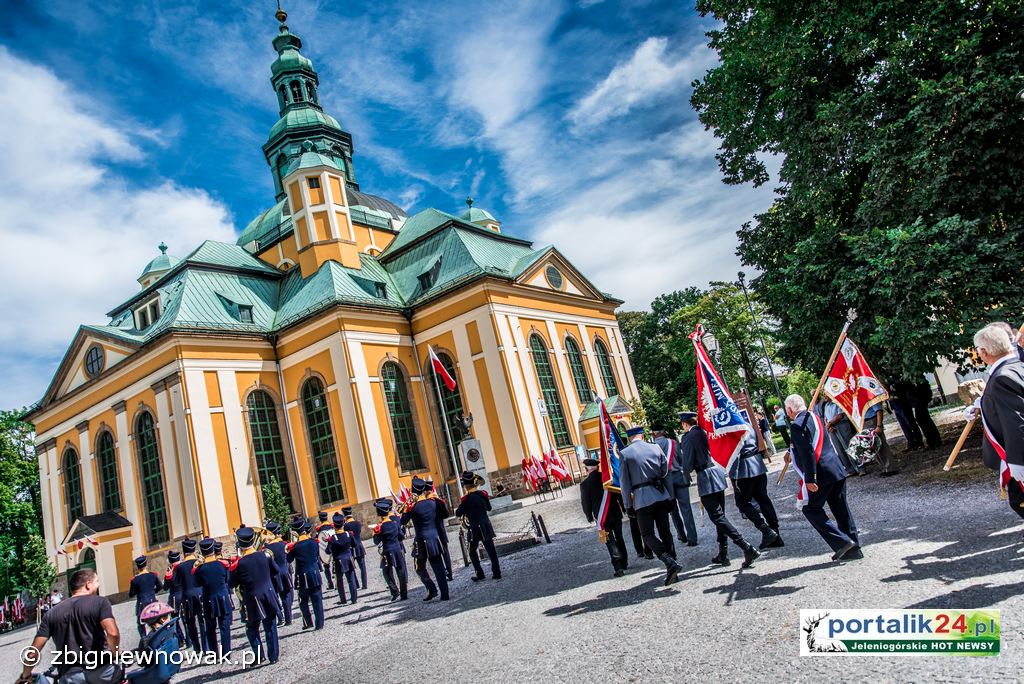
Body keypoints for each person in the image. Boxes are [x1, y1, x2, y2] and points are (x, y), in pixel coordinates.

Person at [785, 394, 862, 561]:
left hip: (820, 473)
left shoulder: (797, 425)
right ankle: (854, 549)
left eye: (787, 411)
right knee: (841, 510)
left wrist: (810, 478)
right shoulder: (816, 417)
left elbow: (807, 453)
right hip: (836, 468)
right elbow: (806, 443)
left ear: (790, 409)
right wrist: (791, 451)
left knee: (810, 509)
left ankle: (842, 542)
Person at [680, 412, 759, 568]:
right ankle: (723, 554)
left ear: (684, 424)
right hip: (717, 473)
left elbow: (687, 464)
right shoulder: (707, 432)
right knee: (720, 517)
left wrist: (684, 475)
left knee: (717, 517)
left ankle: (746, 546)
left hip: (706, 477)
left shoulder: (688, 437)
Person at [16, 569, 121, 684]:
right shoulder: (100, 602)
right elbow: (113, 633)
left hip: (70, 677)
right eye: (97, 581)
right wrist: (115, 653)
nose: (98, 584)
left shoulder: (51, 613)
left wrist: (25, 675)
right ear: (88, 585)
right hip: (102, 672)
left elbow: (33, 652)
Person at [618, 426, 682, 585]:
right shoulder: (655, 447)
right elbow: (665, 473)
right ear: (642, 435)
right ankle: (673, 562)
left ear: (629, 438)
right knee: (665, 530)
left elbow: (624, 483)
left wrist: (627, 504)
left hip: (642, 499)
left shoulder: (625, 454)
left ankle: (668, 561)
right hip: (660, 494)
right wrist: (669, 495)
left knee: (646, 533)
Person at [972, 324, 1024, 521]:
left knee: (1018, 500)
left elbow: (1014, 421)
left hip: (1020, 453)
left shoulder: (1001, 377)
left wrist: (1018, 461)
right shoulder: (1017, 366)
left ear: (984, 352)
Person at [229, 525, 282, 666]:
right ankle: (274, 656)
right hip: (269, 594)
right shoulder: (265, 556)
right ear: (253, 540)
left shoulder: (239, 564)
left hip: (253, 599)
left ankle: (259, 656)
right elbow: (275, 571)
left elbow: (232, 583)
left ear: (240, 544)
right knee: (270, 625)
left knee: (252, 628)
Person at [729, 431, 783, 549]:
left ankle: (766, 530)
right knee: (763, 499)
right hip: (757, 464)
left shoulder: (730, 428)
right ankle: (776, 534)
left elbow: (730, 451)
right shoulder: (745, 424)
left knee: (742, 503)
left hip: (744, 469)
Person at [401, 476, 450, 601]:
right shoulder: (433, 503)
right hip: (435, 538)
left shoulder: (413, 507)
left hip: (422, 541)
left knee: (419, 567)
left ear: (413, 491)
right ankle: (445, 594)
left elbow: (403, 521)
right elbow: (444, 514)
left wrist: (406, 508)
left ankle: (431, 589)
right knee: (438, 567)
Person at [579, 457, 628, 576]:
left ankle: (618, 568)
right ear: (598, 467)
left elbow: (585, 502)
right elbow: (618, 493)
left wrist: (589, 516)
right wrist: (623, 507)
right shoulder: (607, 479)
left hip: (602, 516)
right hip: (615, 513)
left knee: (609, 540)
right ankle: (625, 562)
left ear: (586, 469)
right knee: (619, 537)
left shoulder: (585, 484)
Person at [653, 426, 697, 546]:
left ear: (654, 434)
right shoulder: (673, 442)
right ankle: (692, 537)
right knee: (686, 508)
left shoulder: (653, 447)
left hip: (666, 481)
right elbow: (682, 459)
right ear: (663, 432)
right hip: (679, 476)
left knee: (673, 510)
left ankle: (681, 535)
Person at [455, 471, 502, 581]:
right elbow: (489, 508)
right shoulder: (483, 495)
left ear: (466, 486)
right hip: (485, 525)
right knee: (491, 550)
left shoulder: (466, 499)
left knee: (471, 551)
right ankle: (497, 572)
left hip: (474, 528)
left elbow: (458, 513)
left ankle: (479, 573)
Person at [192, 537, 232, 657]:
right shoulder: (222, 565)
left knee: (210, 628)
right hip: (222, 597)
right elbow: (227, 580)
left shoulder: (199, 569)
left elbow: (197, 584)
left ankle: (214, 653)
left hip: (208, 599)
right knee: (224, 626)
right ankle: (226, 653)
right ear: (213, 550)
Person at [125, 601, 181, 684]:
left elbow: (142, 662)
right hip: (168, 670)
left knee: (129, 678)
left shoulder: (146, 640)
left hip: (154, 675)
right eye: (169, 615)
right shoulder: (166, 634)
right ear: (163, 619)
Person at [286, 517, 325, 630]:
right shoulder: (313, 542)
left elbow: (288, 560)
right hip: (314, 573)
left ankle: (308, 622)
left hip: (302, 576)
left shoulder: (295, 546)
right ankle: (319, 623)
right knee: (317, 599)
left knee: (303, 601)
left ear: (294, 531)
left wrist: (288, 549)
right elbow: (317, 555)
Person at [171, 538, 205, 653]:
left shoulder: (180, 567)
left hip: (187, 596)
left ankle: (197, 648)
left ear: (184, 552)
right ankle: (206, 647)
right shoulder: (199, 562)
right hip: (200, 593)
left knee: (190, 623)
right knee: (202, 621)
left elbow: (176, 582)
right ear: (194, 550)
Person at [372, 499, 408, 601]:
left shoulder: (380, 527)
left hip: (387, 551)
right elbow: (401, 536)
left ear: (379, 514)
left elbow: (377, 541)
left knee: (386, 572)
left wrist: (374, 534)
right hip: (397, 549)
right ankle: (404, 594)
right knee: (400, 571)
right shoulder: (394, 523)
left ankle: (394, 591)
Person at [263, 521, 294, 626]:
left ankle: (280, 617)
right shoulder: (283, 545)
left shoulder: (266, 549)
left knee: (275, 597)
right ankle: (288, 619)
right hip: (284, 572)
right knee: (286, 596)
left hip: (273, 575)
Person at [425, 477, 454, 581]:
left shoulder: (426, 503)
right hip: (441, 530)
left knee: (438, 554)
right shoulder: (438, 501)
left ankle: (442, 573)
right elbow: (446, 514)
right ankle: (449, 573)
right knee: (445, 553)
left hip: (432, 531)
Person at [127, 555, 162, 639]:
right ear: (146, 565)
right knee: (156, 621)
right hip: (152, 601)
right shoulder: (153, 575)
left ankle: (145, 640)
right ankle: (158, 638)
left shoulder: (135, 580)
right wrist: (153, 592)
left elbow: (131, 594)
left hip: (142, 603)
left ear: (138, 567)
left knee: (141, 624)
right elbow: (160, 586)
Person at [822, 399, 861, 474]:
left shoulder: (837, 402)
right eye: (823, 394)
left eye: (826, 393)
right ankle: (851, 470)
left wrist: (829, 424)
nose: (824, 395)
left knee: (849, 447)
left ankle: (860, 468)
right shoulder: (826, 406)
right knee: (840, 450)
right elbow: (825, 418)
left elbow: (840, 415)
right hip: (832, 429)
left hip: (841, 425)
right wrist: (829, 426)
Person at [327, 512, 358, 605]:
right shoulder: (349, 534)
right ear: (343, 524)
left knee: (339, 581)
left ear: (334, 525)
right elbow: (354, 544)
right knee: (351, 579)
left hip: (338, 560)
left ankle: (343, 599)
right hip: (348, 558)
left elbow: (328, 551)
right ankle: (354, 598)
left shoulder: (333, 538)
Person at [863, 402, 899, 476]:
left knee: (881, 445)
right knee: (873, 446)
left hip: (872, 420)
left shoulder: (869, 394)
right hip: (865, 422)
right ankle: (884, 468)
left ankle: (891, 468)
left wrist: (879, 425)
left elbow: (879, 410)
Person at [163, 550, 185, 648]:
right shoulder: (184, 567)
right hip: (184, 595)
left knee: (175, 619)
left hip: (175, 597)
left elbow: (165, 587)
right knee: (186, 618)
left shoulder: (170, 571)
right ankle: (189, 640)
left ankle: (180, 639)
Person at [341, 507, 368, 590]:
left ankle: (356, 584)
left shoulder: (345, 526)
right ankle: (364, 584)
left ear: (344, 515)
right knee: (362, 567)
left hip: (351, 548)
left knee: (352, 568)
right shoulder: (358, 523)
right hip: (359, 546)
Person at [315, 511, 335, 590]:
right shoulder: (332, 526)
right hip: (333, 548)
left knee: (326, 566)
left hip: (324, 550)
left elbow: (318, 540)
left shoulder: (319, 530)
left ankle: (330, 583)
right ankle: (337, 582)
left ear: (320, 519)